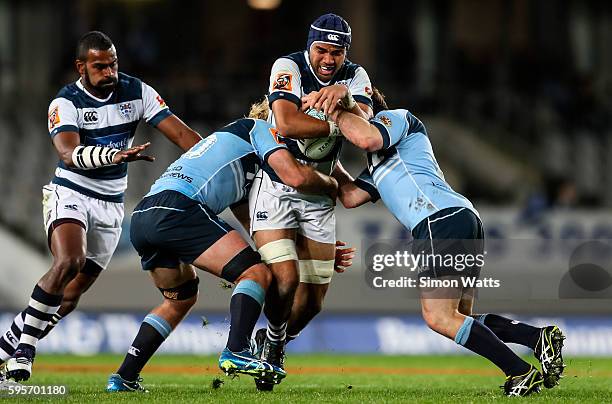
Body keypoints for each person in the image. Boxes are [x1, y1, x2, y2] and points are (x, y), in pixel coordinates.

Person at [309, 86, 566, 397]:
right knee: (461, 317)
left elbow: (367, 137)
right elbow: (349, 196)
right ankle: (536, 338)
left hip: (438, 219)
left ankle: (520, 371)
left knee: (439, 317)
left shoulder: (397, 119)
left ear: (368, 109)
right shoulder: (377, 164)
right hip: (460, 217)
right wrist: (327, 159)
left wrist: (335, 112)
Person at [0, 31, 202, 382]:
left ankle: (4, 351)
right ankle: (25, 349)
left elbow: (183, 136)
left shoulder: (136, 91)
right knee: (68, 261)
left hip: (111, 205)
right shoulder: (65, 102)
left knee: (70, 296)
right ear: (81, 67)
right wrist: (113, 154)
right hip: (71, 192)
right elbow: (68, 153)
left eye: (113, 64)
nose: (109, 72)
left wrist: (212, 162)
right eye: (99, 66)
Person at [106, 117, 339, 391]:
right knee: (255, 273)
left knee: (179, 299)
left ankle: (124, 377)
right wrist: (332, 186)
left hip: (146, 215)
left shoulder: (243, 163)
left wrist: (307, 248)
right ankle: (237, 349)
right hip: (180, 207)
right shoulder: (258, 128)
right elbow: (294, 176)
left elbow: (256, 228)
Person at [248, 13, 372, 389]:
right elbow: (285, 123)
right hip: (276, 185)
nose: (329, 59)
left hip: (318, 194)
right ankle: (263, 343)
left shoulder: (356, 76)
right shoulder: (288, 66)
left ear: (345, 52)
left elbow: (365, 127)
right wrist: (337, 122)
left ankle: (273, 341)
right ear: (309, 46)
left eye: (337, 51)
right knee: (285, 277)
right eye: (322, 49)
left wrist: (346, 98)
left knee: (314, 301)